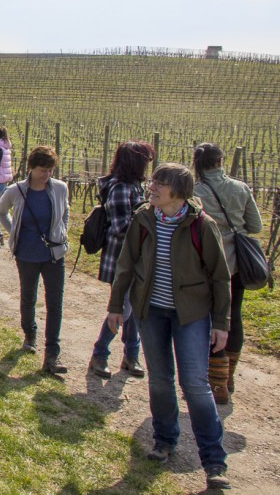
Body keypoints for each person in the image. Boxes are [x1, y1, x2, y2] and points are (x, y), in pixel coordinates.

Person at [107, 163, 231, 491]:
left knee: (195, 384)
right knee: (160, 380)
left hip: (192, 315)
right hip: (152, 312)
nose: (152, 187)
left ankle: (214, 460)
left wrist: (221, 322)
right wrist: (117, 305)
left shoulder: (202, 225)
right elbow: (126, 264)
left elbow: (220, 276)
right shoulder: (143, 219)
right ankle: (164, 441)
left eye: (160, 184)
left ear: (176, 191)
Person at [193, 142, 263, 404]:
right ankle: (229, 376)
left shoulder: (196, 191)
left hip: (208, 264)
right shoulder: (240, 187)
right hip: (238, 264)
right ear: (221, 161)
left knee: (212, 318)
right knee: (235, 316)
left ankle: (217, 382)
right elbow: (255, 226)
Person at [0, 146, 70, 375]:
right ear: (31, 168)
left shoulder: (60, 188)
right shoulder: (15, 191)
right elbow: (0, 211)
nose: (46, 175)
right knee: (29, 297)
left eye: (50, 170)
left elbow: (65, 212)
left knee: (55, 302)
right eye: (42, 170)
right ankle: (30, 335)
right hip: (26, 254)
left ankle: (52, 354)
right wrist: (13, 234)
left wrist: (61, 232)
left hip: (53, 254)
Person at [88, 141, 155, 380]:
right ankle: (100, 353)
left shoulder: (136, 186)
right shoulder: (120, 189)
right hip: (121, 259)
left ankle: (130, 355)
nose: (148, 165)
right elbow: (120, 228)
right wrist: (150, 224)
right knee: (124, 307)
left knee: (134, 307)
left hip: (139, 258)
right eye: (145, 160)